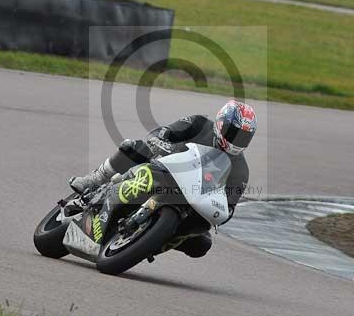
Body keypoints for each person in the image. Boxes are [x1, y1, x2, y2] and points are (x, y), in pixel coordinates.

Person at [69, 100, 257, 258]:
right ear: (221, 124)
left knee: (202, 243)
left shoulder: (241, 170)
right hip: (162, 166)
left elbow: (229, 205)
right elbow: (164, 132)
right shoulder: (199, 124)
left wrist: (221, 210)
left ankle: (154, 240)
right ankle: (94, 180)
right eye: (234, 133)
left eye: (244, 137)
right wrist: (160, 141)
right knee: (135, 147)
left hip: (190, 199)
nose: (237, 140)